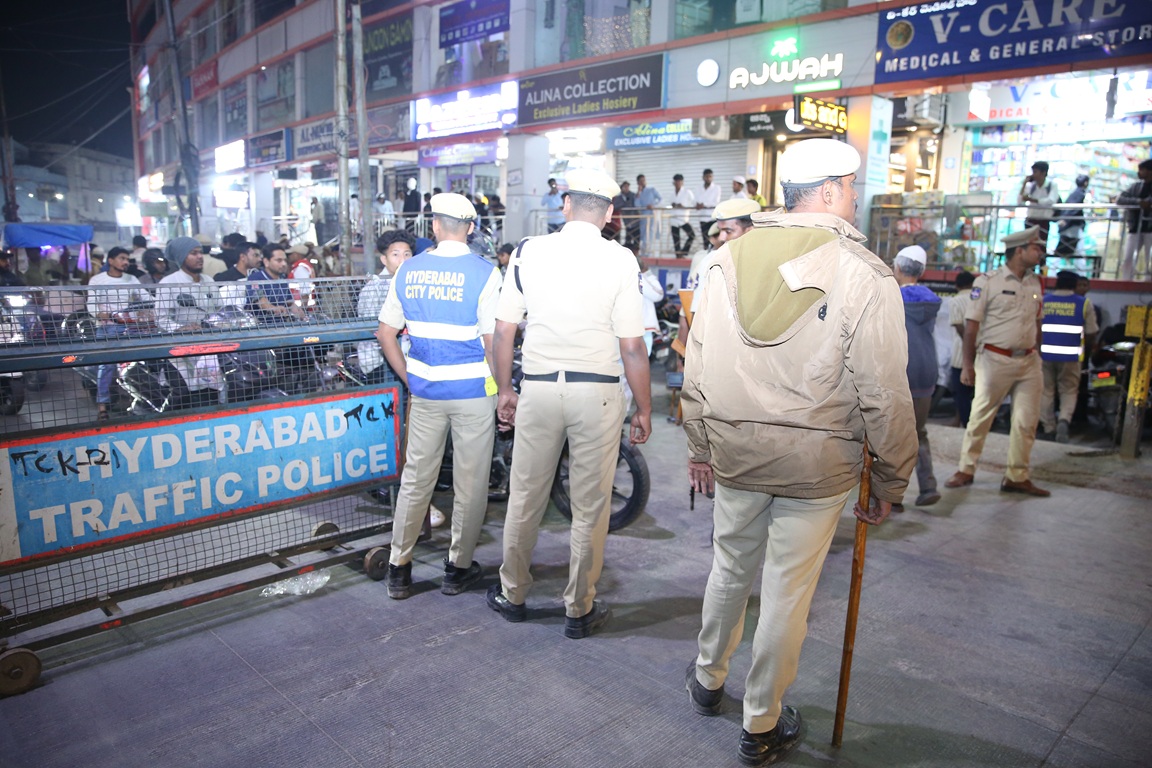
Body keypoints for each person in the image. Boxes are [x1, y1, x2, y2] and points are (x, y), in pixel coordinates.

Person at [681, 138, 916, 768]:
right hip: (818, 466)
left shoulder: (723, 261)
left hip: (736, 454)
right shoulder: (864, 273)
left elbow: (695, 369)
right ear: (833, 190)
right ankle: (760, 723)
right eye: (852, 187)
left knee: (730, 568)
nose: (855, 198)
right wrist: (891, 481)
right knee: (787, 591)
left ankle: (707, 680)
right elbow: (885, 394)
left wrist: (701, 444)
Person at [486, 168, 651, 639]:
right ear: (611, 213)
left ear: (565, 205)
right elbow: (632, 347)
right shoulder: (621, 259)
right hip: (596, 394)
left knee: (525, 497)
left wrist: (505, 390)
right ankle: (579, 608)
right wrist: (643, 408)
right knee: (590, 505)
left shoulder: (528, 251)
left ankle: (513, 594)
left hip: (538, 389)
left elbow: (503, 331)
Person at [376, 193, 502, 600]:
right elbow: (492, 342)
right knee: (470, 484)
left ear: (434, 226)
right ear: (470, 228)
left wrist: (411, 379)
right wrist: (505, 390)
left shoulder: (408, 269)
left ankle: (398, 568)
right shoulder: (486, 273)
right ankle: (457, 569)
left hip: (426, 392)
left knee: (416, 480)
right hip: (473, 394)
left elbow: (386, 334)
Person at [945, 227, 1048, 497]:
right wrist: (968, 365)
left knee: (1026, 422)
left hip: (1029, 361)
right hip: (994, 359)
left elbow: (1038, 322)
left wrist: (1037, 353)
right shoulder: (987, 282)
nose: (1040, 252)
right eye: (1036, 248)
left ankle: (1017, 476)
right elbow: (971, 327)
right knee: (980, 417)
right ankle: (966, 469)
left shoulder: (1035, 282)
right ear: (1019, 250)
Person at [894, 245, 942, 508]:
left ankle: (891, 495)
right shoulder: (931, 301)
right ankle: (928, 486)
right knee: (918, 432)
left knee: (889, 436)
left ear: (898, 268)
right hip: (926, 372)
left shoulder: (892, 298)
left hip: (901, 371)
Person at [1039, 270, 1097, 443]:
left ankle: (1049, 427)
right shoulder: (1084, 304)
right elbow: (1092, 332)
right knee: (1069, 390)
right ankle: (1064, 420)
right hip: (1071, 356)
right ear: (1074, 285)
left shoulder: (1043, 301)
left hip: (1044, 354)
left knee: (1046, 390)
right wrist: (1087, 347)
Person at [86, 247, 144, 420]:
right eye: (122, 258)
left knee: (145, 360)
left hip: (130, 326)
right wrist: (100, 314)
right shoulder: (97, 280)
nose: (125, 262)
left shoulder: (131, 279)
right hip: (108, 327)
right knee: (107, 365)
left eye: (127, 259)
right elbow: (92, 303)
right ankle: (102, 406)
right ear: (110, 260)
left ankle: (142, 400)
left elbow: (146, 297)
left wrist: (147, 308)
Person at [357, 229, 415, 385]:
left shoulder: (412, 284)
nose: (402, 260)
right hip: (378, 362)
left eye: (407, 254)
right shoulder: (373, 288)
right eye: (395, 255)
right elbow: (371, 327)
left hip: (407, 358)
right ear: (384, 259)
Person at [247, 244, 307, 322]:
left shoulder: (282, 278)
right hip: (262, 324)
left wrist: (297, 310)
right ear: (266, 262)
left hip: (282, 323)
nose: (284, 264)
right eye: (279, 260)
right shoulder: (255, 278)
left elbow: (289, 301)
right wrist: (273, 308)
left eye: (285, 260)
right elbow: (260, 300)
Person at [949, 271, 977, 427]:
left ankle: (966, 424)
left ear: (957, 286)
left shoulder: (956, 300)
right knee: (977, 393)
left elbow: (959, 326)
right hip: (981, 351)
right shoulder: (979, 298)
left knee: (961, 393)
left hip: (961, 355)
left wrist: (969, 346)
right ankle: (966, 422)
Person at [1117, 158, 1152, 280]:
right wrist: (1139, 202)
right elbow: (1120, 199)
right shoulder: (1136, 186)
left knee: (1150, 259)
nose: (1139, 173)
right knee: (1128, 257)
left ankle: (1148, 281)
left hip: (1149, 228)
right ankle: (1126, 280)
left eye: (1142, 170)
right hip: (1134, 226)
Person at [1018, 161, 1060, 252]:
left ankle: (1042, 261)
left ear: (1043, 173)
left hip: (1043, 221)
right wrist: (1024, 184)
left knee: (1041, 247)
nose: (1033, 175)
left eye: (1035, 172)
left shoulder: (1052, 186)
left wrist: (1034, 200)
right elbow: (1020, 200)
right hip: (1030, 220)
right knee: (1028, 246)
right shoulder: (1031, 186)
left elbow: (1051, 200)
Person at [1054, 174, 1090, 259]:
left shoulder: (1076, 193)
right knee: (1070, 247)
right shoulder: (1080, 194)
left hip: (1070, 224)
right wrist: (1065, 220)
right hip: (1072, 224)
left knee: (1069, 246)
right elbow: (1073, 209)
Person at [669, 173, 696, 256]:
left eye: (679, 181)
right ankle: (678, 256)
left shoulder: (687, 192)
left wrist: (684, 206)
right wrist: (673, 205)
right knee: (676, 240)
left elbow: (694, 204)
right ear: (674, 183)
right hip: (674, 219)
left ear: (682, 182)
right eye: (676, 181)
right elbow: (668, 205)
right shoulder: (672, 194)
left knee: (692, 235)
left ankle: (684, 251)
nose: (677, 183)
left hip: (683, 219)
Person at [635, 173, 662, 253]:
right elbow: (637, 205)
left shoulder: (651, 190)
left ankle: (651, 252)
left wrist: (654, 205)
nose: (643, 182)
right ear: (638, 183)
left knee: (651, 232)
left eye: (644, 180)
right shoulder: (638, 194)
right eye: (641, 181)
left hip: (652, 215)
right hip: (643, 217)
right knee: (643, 234)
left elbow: (661, 199)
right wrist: (638, 193)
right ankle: (644, 253)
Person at [695, 168, 722, 244]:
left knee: (714, 239)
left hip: (712, 217)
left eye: (710, 176)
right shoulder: (698, 188)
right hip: (702, 217)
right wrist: (697, 204)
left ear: (712, 177)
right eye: (707, 176)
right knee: (705, 240)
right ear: (703, 177)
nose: (708, 178)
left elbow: (716, 202)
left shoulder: (717, 188)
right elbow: (695, 200)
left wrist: (704, 204)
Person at [612, 180, 638, 244]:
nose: (626, 188)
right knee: (628, 237)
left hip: (635, 219)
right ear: (622, 188)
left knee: (636, 237)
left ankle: (635, 247)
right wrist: (623, 204)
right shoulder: (619, 197)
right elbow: (615, 206)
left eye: (627, 187)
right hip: (626, 220)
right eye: (625, 187)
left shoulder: (633, 195)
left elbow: (635, 205)